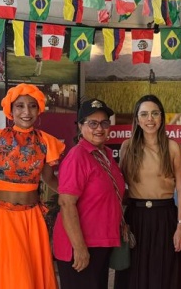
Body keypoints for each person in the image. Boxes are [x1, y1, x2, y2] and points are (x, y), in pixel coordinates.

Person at [0, 84, 63, 289]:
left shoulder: (46, 142)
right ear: (10, 109)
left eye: (32, 106)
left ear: (39, 109)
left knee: (31, 271)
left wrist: (74, 196)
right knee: (8, 271)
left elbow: (50, 179)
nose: (26, 112)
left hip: (32, 217)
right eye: (20, 106)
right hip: (1, 216)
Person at [114, 95, 181, 289]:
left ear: (162, 118)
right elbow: (121, 188)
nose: (150, 119)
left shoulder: (173, 148)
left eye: (155, 113)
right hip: (135, 218)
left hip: (165, 218)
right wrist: (120, 222)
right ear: (137, 119)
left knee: (163, 274)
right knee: (134, 276)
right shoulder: (127, 147)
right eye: (144, 114)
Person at [53, 99, 125, 289]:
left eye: (104, 123)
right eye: (92, 123)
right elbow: (67, 204)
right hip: (82, 246)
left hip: (101, 243)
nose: (99, 128)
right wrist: (79, 247)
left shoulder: (107, 154)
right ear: (80, 126)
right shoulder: (77, 156)